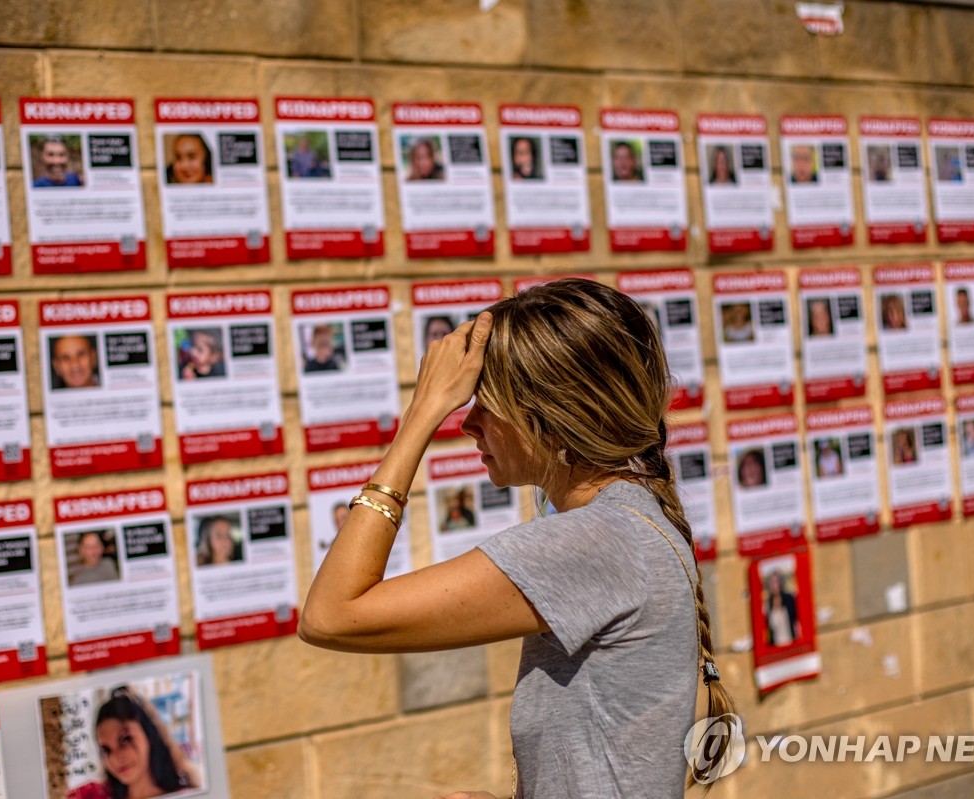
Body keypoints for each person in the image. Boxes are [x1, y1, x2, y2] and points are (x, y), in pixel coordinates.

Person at [300, 278, 736, 797]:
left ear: (552, 414)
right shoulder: (626, 520)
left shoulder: (596, 540)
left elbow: (331, 615)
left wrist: (420, 416)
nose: (469, 424)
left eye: (487, 402)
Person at [71, 686, 199, 799]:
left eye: (125, 740)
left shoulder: (188, 794)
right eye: (106, 750)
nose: (115, 758)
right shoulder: (90, 795)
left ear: (149, 735)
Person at [763, 571, 799, 648]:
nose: (775, 585)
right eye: (772, 583)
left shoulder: (789, 599)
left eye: (777, 582)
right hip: (775, 647)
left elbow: (797, 618)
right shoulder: (767, 604)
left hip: (792, 643)